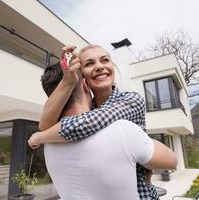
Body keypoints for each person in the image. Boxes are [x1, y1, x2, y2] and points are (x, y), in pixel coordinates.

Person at [30, 45, 165, 199]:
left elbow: (87, 123)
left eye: (105, 60)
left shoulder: (131, 100)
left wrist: (40, 137)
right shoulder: (89, 108)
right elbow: (45, 123)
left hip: (143, 194)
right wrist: (68, 80)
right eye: (89, 64)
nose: (100, 67)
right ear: (83, 80)